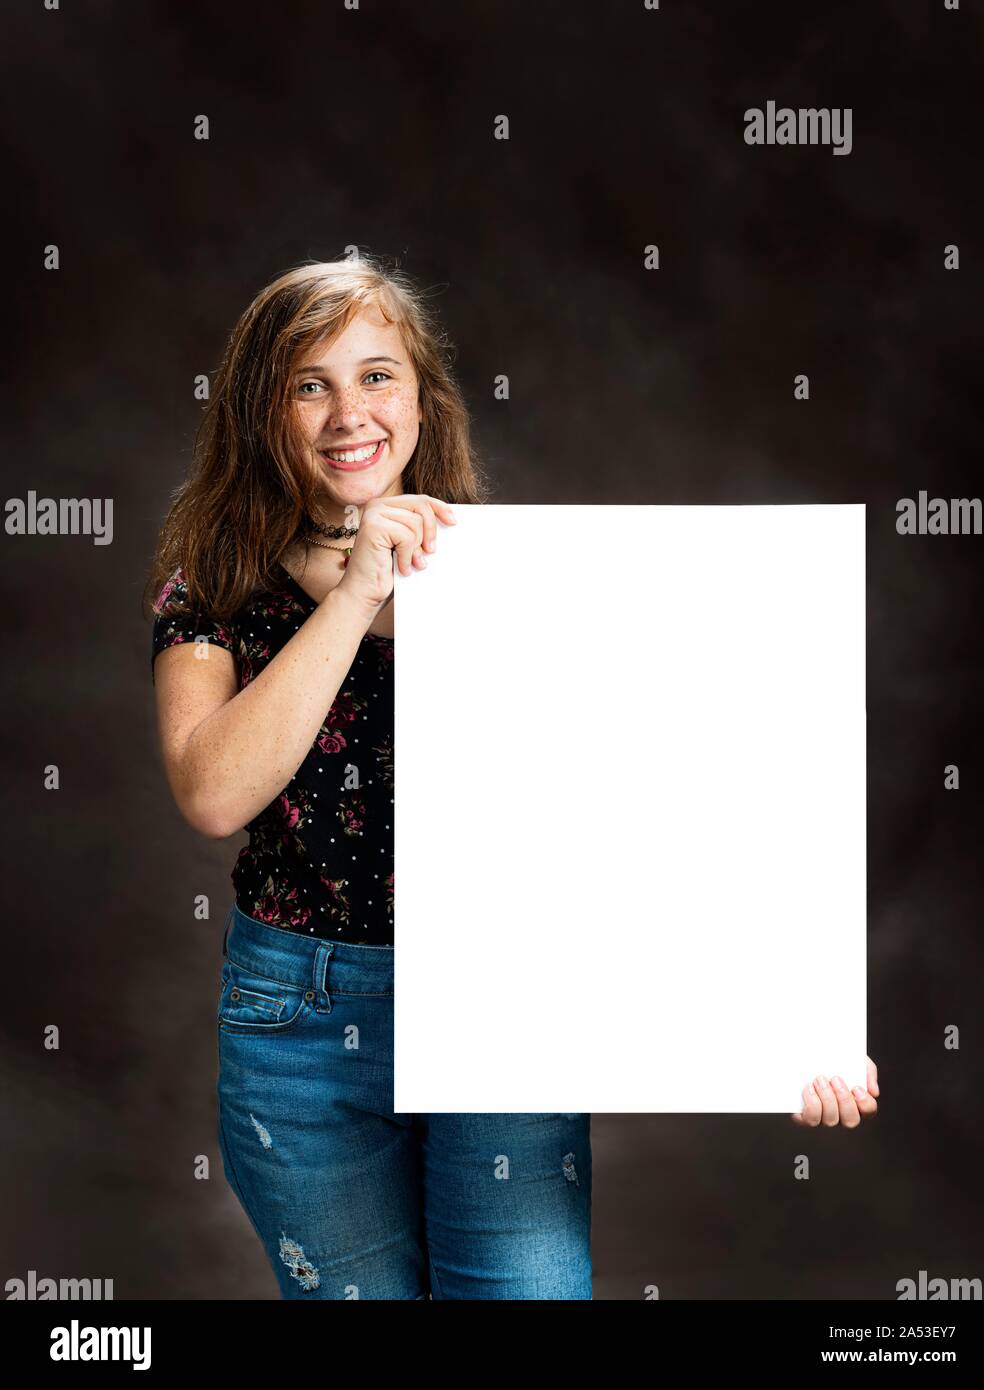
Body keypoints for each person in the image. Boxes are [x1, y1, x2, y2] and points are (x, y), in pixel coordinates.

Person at [146, 254, 880, 1301]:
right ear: (261, 413)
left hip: (508, 995)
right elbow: (212, 791)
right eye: (307, 384)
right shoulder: (211, 585)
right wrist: (353, 591)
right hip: (301, 1023)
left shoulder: (512, 577)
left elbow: (674, 803)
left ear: (420, 393)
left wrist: (790, 1022)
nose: (347, 412)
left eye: (375, 375)